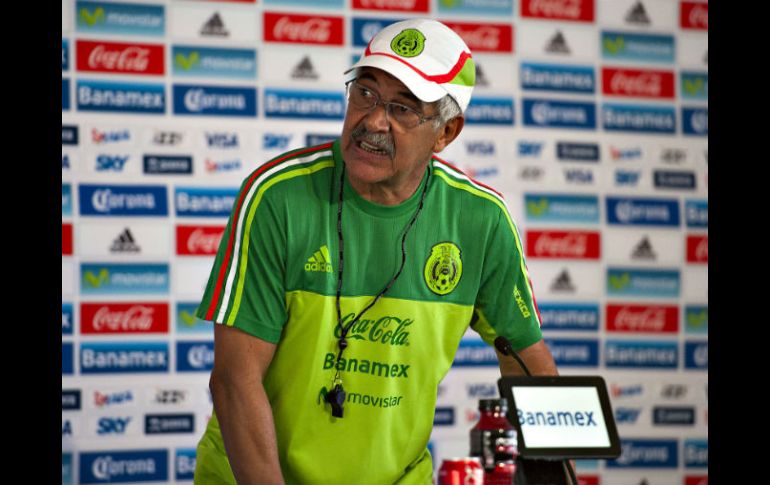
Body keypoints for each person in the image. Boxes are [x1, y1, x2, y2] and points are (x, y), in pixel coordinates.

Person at [193, 18, 559, 485]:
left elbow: (527, 362)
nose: (373, 120)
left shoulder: (481, 219)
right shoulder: (277, 196)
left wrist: (558, 473)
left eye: (403, 108)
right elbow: (234, 380)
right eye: (365, 93)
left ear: (446, 133)